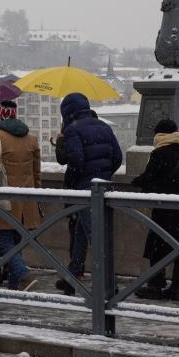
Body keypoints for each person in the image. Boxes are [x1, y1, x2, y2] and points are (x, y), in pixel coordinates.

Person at [54, 92, 123, 295]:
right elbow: (118, 157)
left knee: (96, 238)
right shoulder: (103, 126)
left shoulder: (72, 130)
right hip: (104, 188)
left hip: (85, 191)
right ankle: (71, 278)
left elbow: (76, 160)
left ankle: (109, 285)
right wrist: (103, 176)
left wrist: (77, 182)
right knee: (81, 234)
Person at [0, 100, 41, 292]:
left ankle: (23, 275)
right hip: (26, 200)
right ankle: (15, 285)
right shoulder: (31, 139)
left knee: (0, 239)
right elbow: (36, 173)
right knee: (15, 239)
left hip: (3, 199)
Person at [132, 119, 179, 301]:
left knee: (158, 247)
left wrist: (138, 181)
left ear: (159, 136)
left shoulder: (159, 153)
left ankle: (156, 286)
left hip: (164, 208)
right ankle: (177, 287)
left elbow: (149, 176)